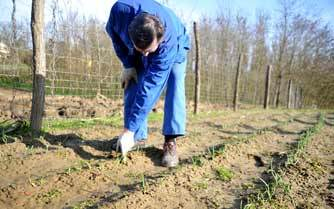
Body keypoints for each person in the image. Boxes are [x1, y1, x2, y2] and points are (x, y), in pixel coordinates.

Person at [106, 0, 190, 167]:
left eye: (149, 51)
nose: (145, 55)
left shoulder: (168, 43)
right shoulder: (120, 11)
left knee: (174, 82)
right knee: (133, 79)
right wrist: (128, 63)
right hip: (139, 43)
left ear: (160, 39)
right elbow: (113, 33)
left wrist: (129, 128)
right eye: (141, 49)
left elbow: (150, 89)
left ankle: (170, 141)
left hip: (177, 47)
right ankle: (135, 137)